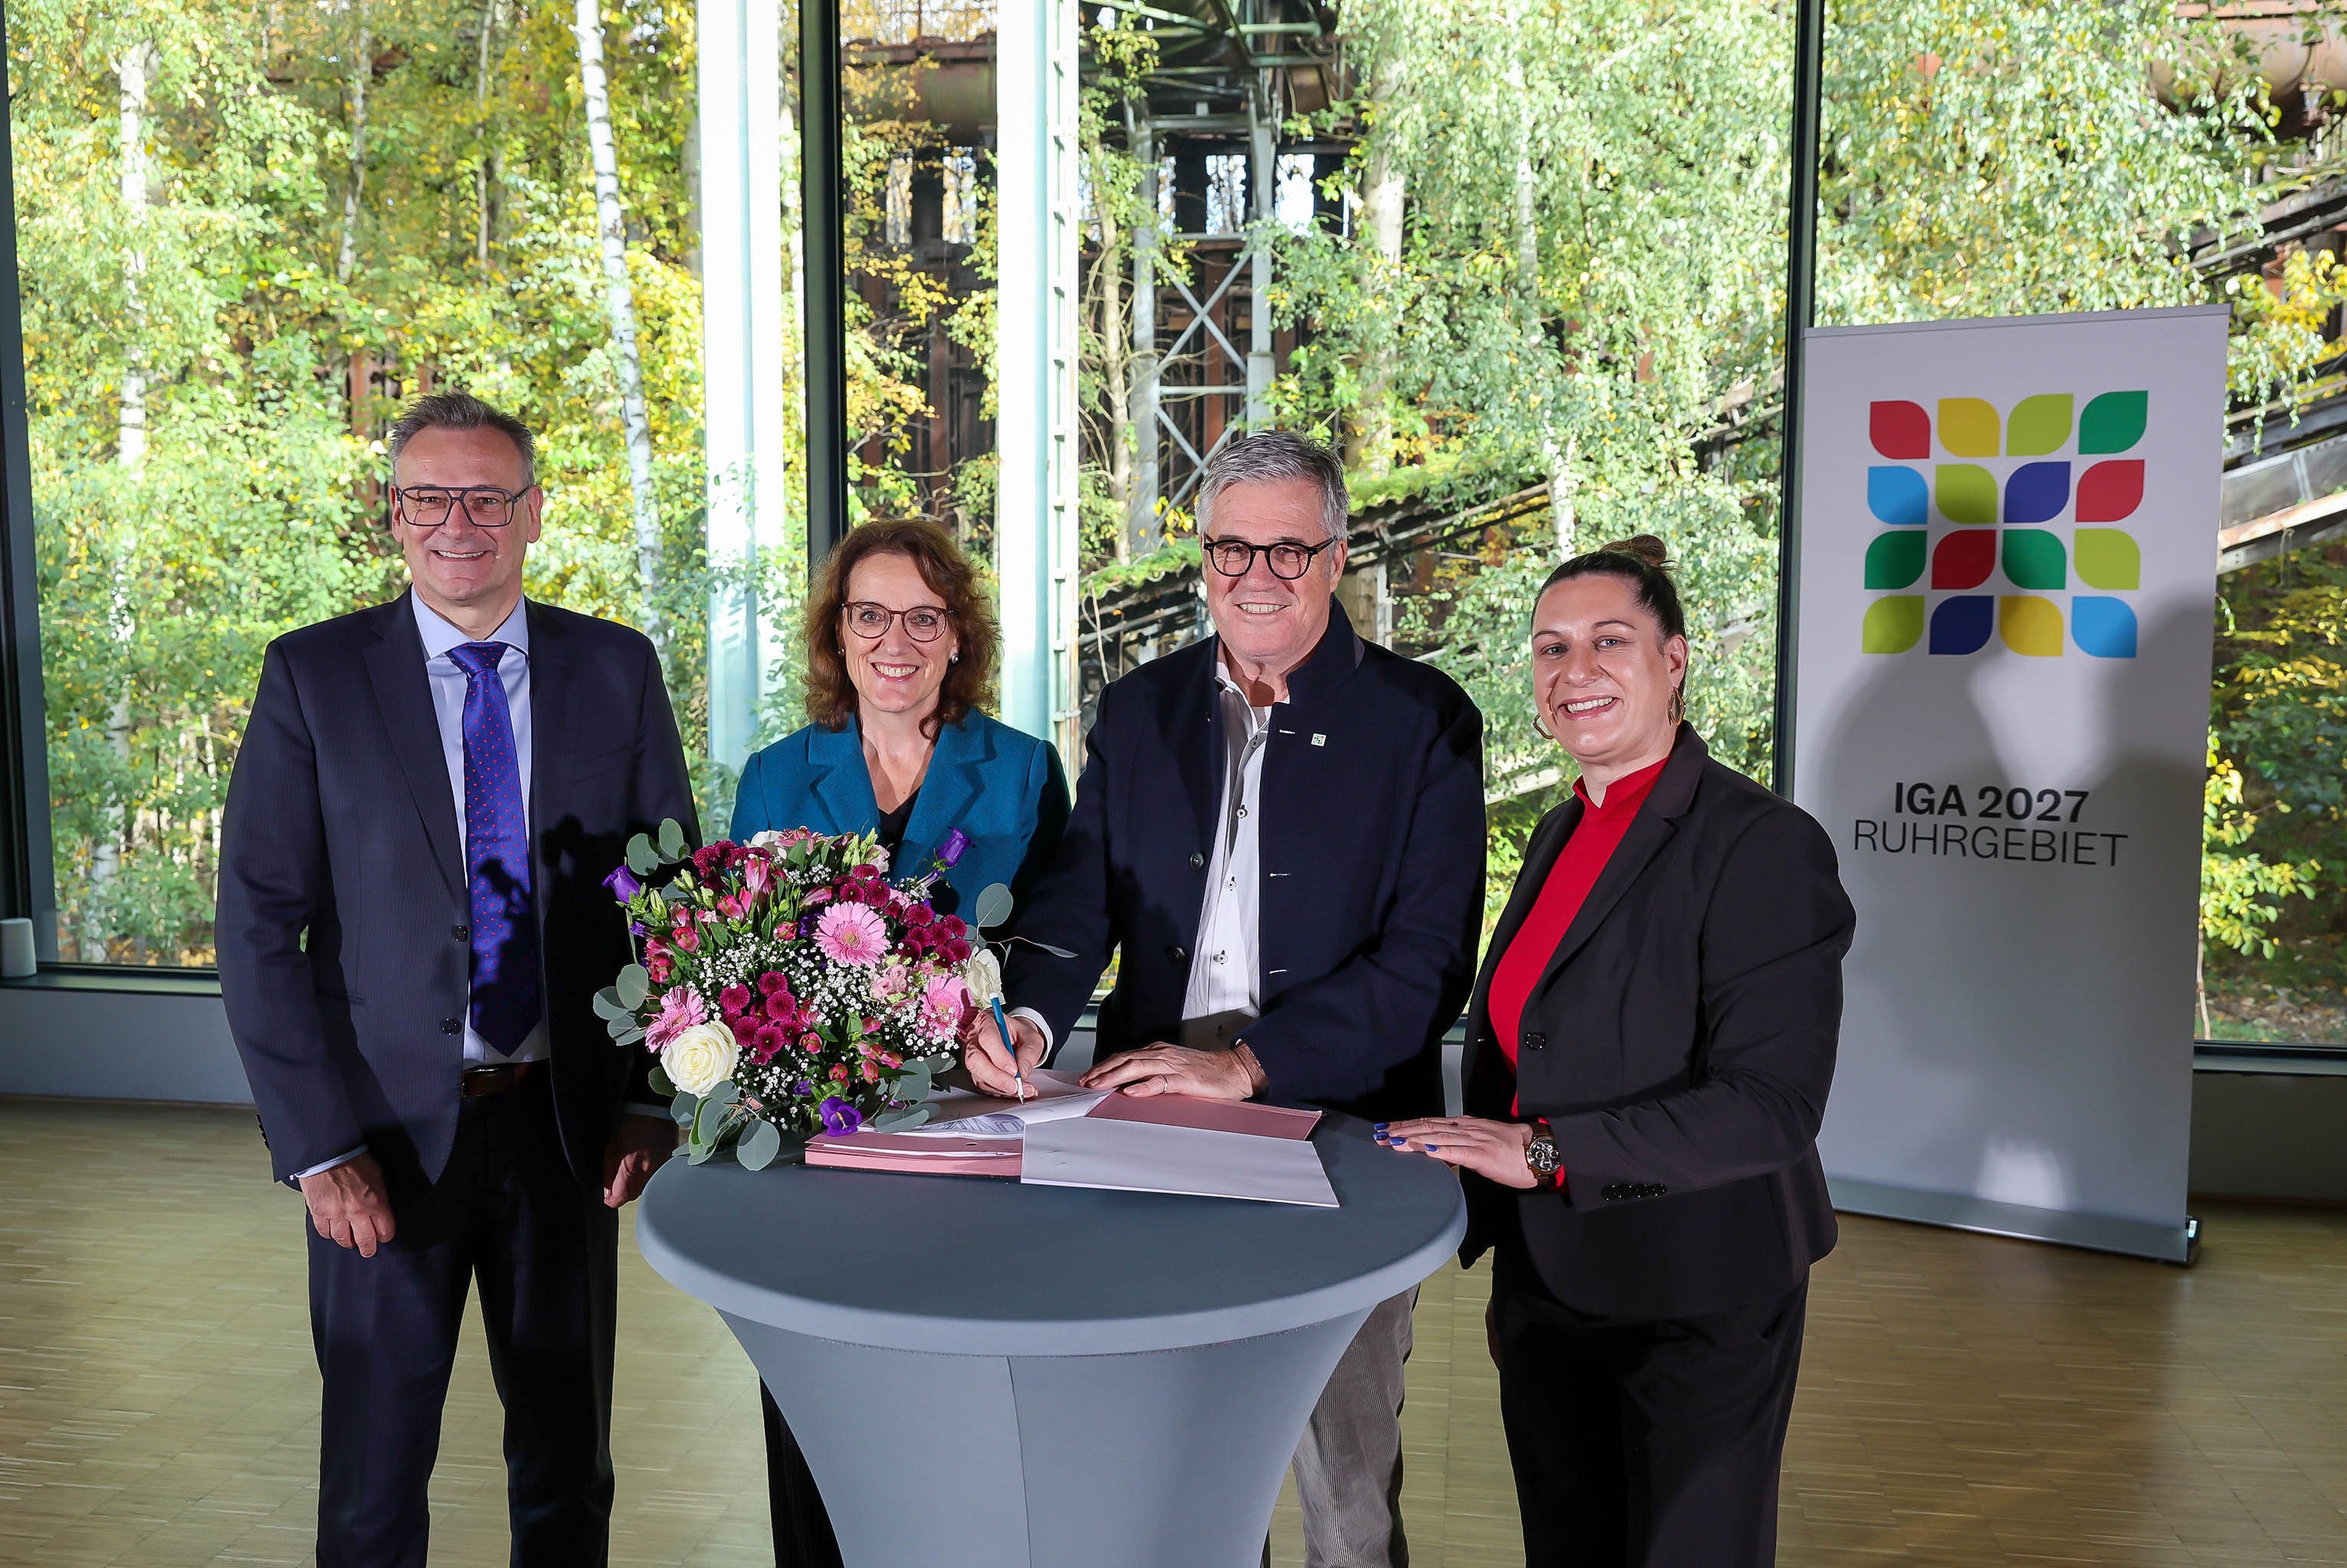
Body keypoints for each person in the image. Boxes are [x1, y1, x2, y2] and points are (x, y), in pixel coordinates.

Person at [965, 430, 1487, 1568]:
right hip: (1150, 1124)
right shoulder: (1140, 708)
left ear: (1337, 556)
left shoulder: (1425, 724)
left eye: (1287, 551)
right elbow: (1076, 898)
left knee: (1346, 1498)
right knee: (1182, 1481)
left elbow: (1427, 968)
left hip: (1339, 1128)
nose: (1255, 576)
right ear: (1202, 556)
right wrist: (1038, 1020)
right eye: (1230, 549)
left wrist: (1247, 1068)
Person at [216, 391, 695, 1568]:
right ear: (394, 515)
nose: (458, 521)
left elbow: (672, 900)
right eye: (430, 496)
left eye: (488, 496)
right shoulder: (313, 678)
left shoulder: (616, 669)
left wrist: (650, 1094)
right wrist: (319, 1149)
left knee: (567, 1474)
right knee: (374, 1491)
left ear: (534, 513)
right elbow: (254, 928)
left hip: (565, 1135)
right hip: (380, 1147)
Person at [1377, 536, 1854, 1568]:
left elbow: (1771, 1106)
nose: (1574, 671)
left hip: (1698, 1294)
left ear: (1674, 660)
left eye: (1608, 641)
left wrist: (1541, 1152)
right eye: (1551, 649)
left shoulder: (1761, 843)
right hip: (1553, 1286)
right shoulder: (1557, 832)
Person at [731, 516, 1070, 1567]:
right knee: (819, 1399)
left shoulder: (1021, 772)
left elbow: (1058, 943)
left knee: (962, 1405)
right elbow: (748, 967)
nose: (896, 642)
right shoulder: (780, 775)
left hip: (969, 1136)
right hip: (814, 1143)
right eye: (870, 615)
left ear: (959, 636)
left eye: (925, 618)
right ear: (838, 634)